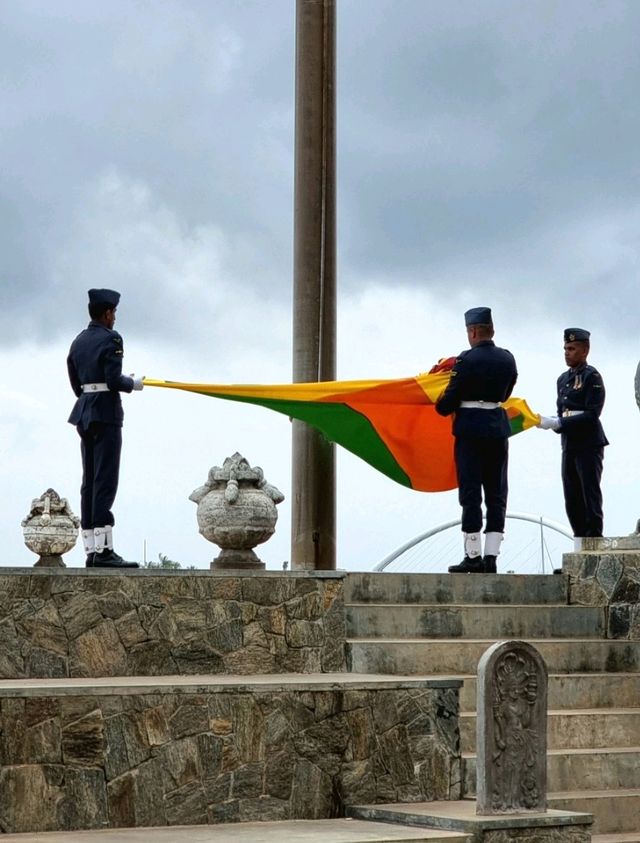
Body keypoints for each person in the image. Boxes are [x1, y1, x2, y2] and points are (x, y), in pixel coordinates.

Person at [436, 307, 518, 573]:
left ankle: (473, 555)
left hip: (470, 430)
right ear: (491, 330)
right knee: (496, 494)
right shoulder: (508, 359)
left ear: (472, 331)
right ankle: (492, 556)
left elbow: (446, 403)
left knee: (471, 493)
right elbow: (505, 396)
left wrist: (439, 399)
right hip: (496, 428)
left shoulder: (466, 361)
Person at [67, 288, 143, 568]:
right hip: (106, 413)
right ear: (108, 313)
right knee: (105, 480)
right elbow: (113, 379)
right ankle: (104, 551)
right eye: (114, 313)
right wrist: (132, 383)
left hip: (85, 412)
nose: (114, 319)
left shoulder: (78, 341)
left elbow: (76, 385)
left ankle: (91, 547)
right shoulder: (111, 339)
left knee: (89, 481)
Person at [538, 328, 608, 539]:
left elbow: (592, 414)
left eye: (572, 348)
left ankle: (594, 542)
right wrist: (553, 423)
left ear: (585, 350)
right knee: (572, 498)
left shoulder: (591, 376)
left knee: (589, 495)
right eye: (565, 348)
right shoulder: (562, 379)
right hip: (569, 443)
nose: (567, 352)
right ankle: (579, 546)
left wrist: (560, 421)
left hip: (588, 442)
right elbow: (563, 411)